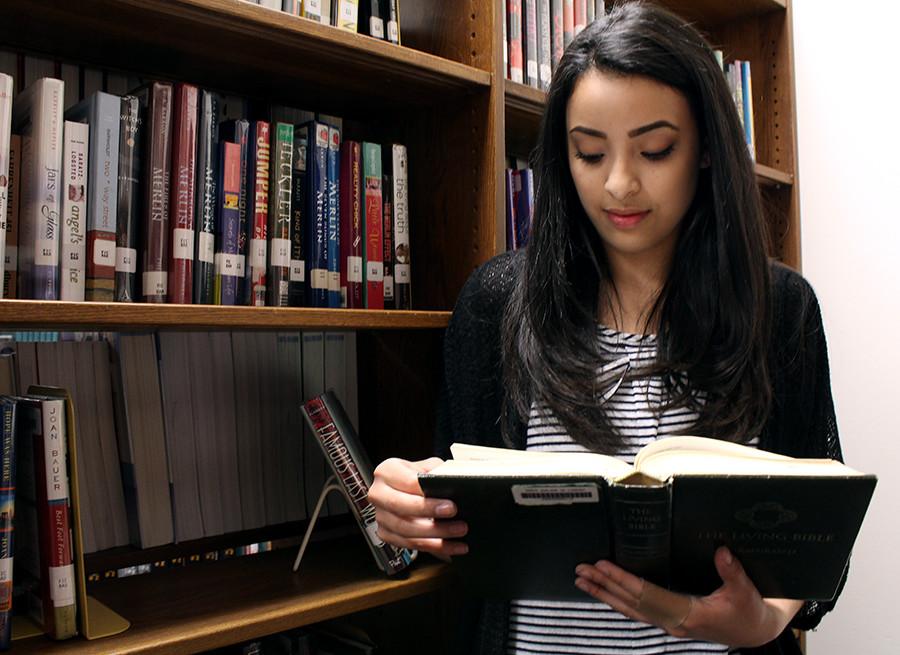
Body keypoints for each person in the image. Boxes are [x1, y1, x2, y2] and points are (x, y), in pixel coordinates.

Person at [368, 3, 844, 654]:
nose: (619, 183)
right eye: (589, 153)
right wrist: (412, 508)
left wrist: (761, 620)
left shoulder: (780, 309)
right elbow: (468, 532)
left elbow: (817, 534)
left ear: (706, 149)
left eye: (655, 149)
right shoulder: (496, 304)